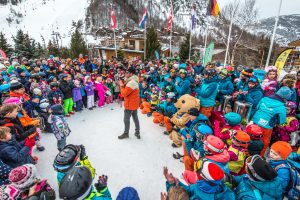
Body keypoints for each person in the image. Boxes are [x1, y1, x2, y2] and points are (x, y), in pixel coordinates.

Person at [118, 67, 140, 139]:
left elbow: (124, 94)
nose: (125, 74)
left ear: (131, 74)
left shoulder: (131, 82)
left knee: (126, 119)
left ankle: (126, 133)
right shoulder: (133, 80)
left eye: (127, 73)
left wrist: (121, 85)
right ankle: (137, 132)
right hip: (134, 103)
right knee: (135, 118)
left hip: (130, 104)